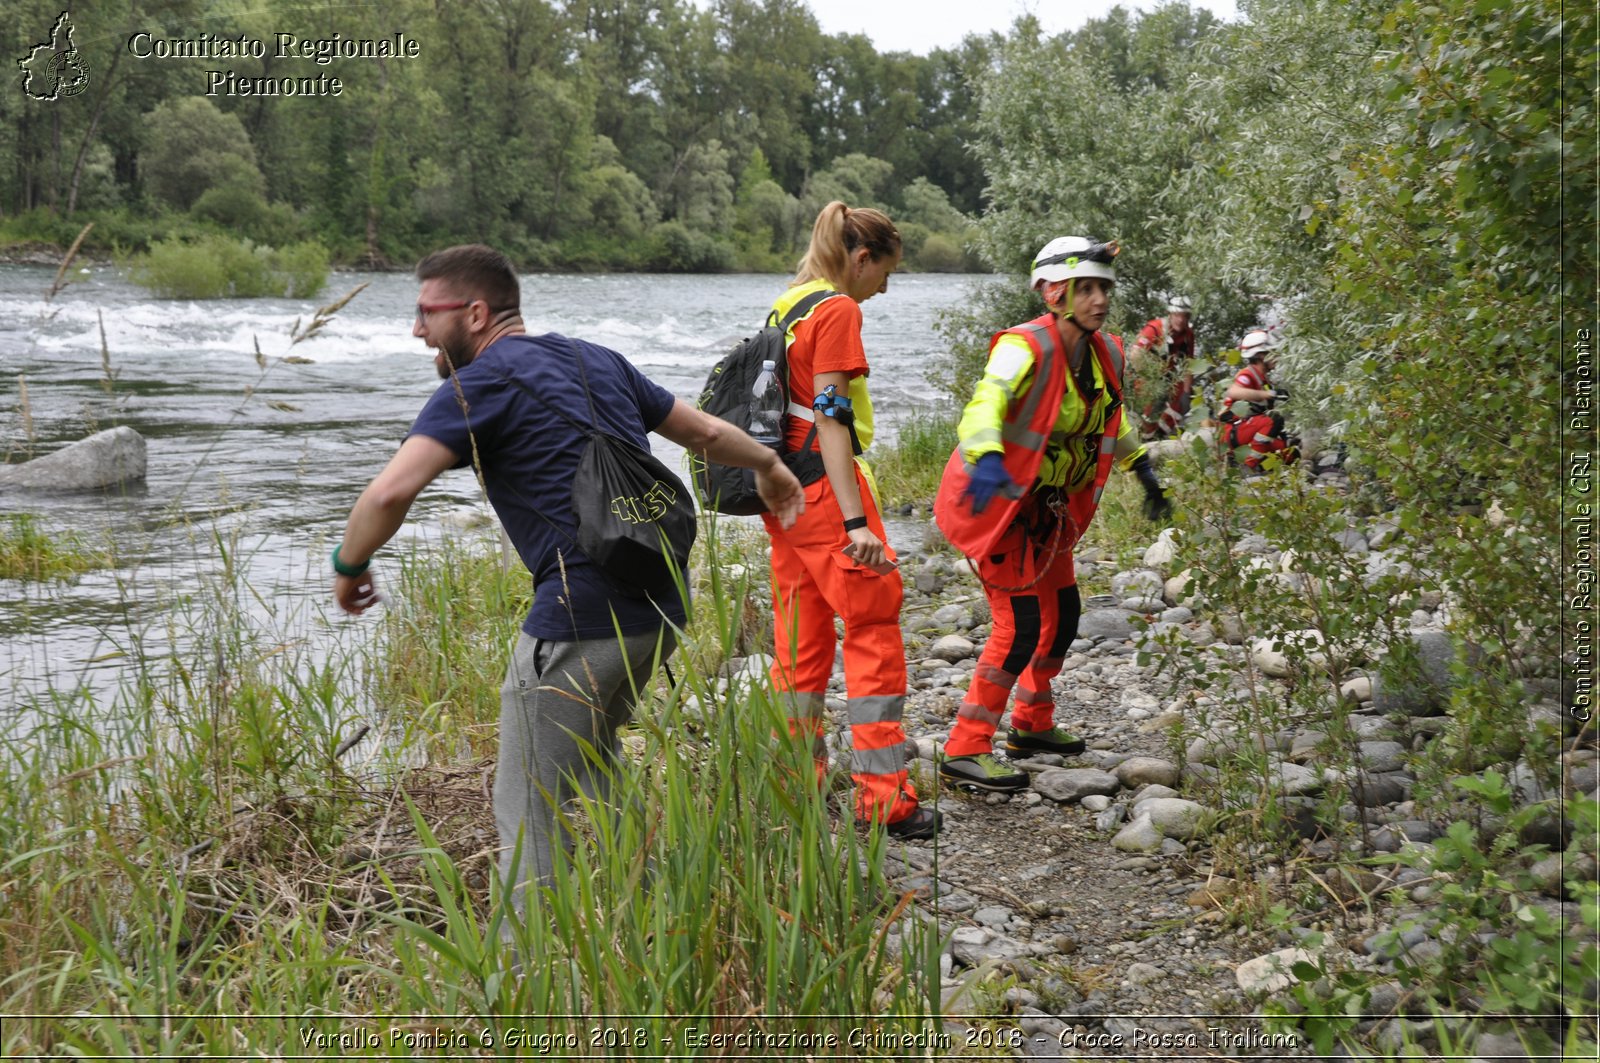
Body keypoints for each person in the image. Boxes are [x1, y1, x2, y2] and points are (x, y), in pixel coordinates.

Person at [330, 244, 805, 905]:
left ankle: (528, 976)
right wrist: (771, 465)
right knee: (596, 756)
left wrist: (348, 565)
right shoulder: (596, 360)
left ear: (473, 313)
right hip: (661, 606)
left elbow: (387, 494)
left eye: (424, 312)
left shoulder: (476, 386)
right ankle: (661, 907)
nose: (416, 329)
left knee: (526, 808)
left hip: (580, 621)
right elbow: (700, 430)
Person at [933, 237, 1172, 793]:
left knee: (1061, 617)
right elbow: (984, 405)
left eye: (1103, 288)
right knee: (1017, 630)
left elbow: (1109, 420)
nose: (1099, 300)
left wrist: (1143, 470)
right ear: (1053, 293)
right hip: (999, 505)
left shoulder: (1105, 352)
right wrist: (986, 458)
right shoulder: (1024, 348)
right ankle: (965, 748)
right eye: (1085, 289)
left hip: (1050, 512)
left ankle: (1032, 726)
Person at [760, 201, 940, 840]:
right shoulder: (837, 309)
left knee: (799, 646)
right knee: (872, 629)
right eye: (885, 272)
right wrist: (858, 520)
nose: (885, 287)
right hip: (829, 494)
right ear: (861, 259)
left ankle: (794, 784)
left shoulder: (789, 303)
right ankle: (884, 800)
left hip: (782, 493)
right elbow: (832, 415)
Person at [1218, 329, 1297, 472]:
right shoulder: (1247, 375)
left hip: (1248, 431)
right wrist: (1269, 394)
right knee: (1274, 419)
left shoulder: (1264, 380)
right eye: (1272, 352)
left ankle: (1255, 467)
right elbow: (1234, 391)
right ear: (1261, 355)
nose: (1276, 356)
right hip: (1233, 432)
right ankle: (1248, 466)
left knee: (1291, 454)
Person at [1132, 297, 1197, 439]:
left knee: (1180, 401)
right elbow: (1135, 354)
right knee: (1148, 412)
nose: (1180, 320)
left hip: (1168, 376)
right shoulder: (1154, 329)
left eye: (1184, 316)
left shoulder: (1188, 335)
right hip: (1148, 378)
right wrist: (1149, 379)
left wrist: (1186, 393)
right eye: (1177, 315)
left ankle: (1161, 434)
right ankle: (1144, 437)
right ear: (1170, 314)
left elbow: (1189, 364)